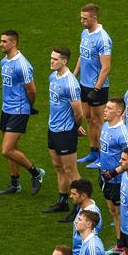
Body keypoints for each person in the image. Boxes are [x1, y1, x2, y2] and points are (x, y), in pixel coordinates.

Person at [0, 30, 45, 195]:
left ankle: (36, 172)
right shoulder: (4, 61)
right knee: (13, 147)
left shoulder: (22, 65)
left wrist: (29, 107)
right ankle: (15, 183)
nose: (1, 44)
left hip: (19, 110)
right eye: (1, 41)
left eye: (4, 41)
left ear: (14, 43)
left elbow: (32, 91)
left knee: (7, 149)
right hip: (6, 109)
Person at [41, 47, 84, 221]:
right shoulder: (53, 77)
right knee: (58, 167)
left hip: (66, 132)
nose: (51, 61)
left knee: (70, 170)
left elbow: (79, 113)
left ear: (64, 61)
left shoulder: (71, 83)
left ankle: (79, 207)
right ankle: (62, 201)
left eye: (55, 59)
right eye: (51, 58)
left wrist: (74, 127)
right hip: (53, 129)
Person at [74, 3, 112, 169]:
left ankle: (103, 157)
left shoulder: (103, 39)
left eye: (85, 18)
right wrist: (74, 75)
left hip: (98, 87)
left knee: (99, 121)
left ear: (94, 18)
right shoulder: (85, 33)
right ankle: (93, 151)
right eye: (81, 18)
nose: (82, 21)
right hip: (84, 84)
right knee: (88, 118)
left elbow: (106, 67)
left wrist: (96, 89)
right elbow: (82, 56)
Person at [98, 98, 128, 255]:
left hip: (116, 180)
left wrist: (114, 172)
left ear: (118, 112)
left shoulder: (123, 134)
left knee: (121, 214)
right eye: (106, 107)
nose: (105, 110)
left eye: (109, 108)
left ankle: (126, 248)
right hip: (105, 177)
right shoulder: (105, 125)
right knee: (113, 212)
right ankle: (120, 244)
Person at [69, 179, 103, 255]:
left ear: (83, 196)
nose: (70, 196)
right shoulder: (84, 207)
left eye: (74, 194)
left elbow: (90, 243)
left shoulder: (91, 214)